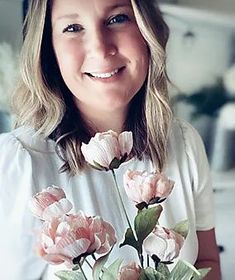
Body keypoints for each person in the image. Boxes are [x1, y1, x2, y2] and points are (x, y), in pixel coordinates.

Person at [0, 0, 221, 279]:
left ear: (147, 30)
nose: (101, 48)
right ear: (48, 51)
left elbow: (207, 261)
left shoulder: (185, 143)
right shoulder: (15, 164)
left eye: (117, 19)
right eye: (73, 27)